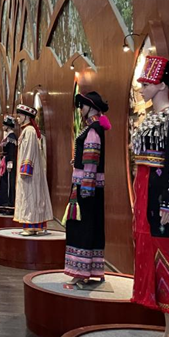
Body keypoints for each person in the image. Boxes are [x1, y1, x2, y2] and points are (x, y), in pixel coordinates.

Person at [130, 56, 169, 337]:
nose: (141, 87)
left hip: (160, 199)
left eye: (147, 82)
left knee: (167, 262)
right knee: (154, 259)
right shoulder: (152, 118)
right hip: (145, 195)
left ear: (162, 84)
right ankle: (168, 332)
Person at [64, 91, 111, 284]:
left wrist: (85, 188)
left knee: (83, 227)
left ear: (91, 107)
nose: (80, 109)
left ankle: (80, 271)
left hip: (86, 188)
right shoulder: (94, 127)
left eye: (82, 105)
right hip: (88, 186)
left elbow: (91, 160)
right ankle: (91, 269)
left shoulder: (93, 129)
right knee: (91, 225)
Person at [13, 104, 54, 235]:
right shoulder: (27, 130)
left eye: (19, 115)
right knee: (31, 197)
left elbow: (29, 151)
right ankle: (34, 225)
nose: (18, 118)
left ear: (26, 116)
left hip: (29, 173)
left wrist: (25, 169)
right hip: (30, 171)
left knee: (31, 197)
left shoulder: (29, 131)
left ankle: (32, 225)